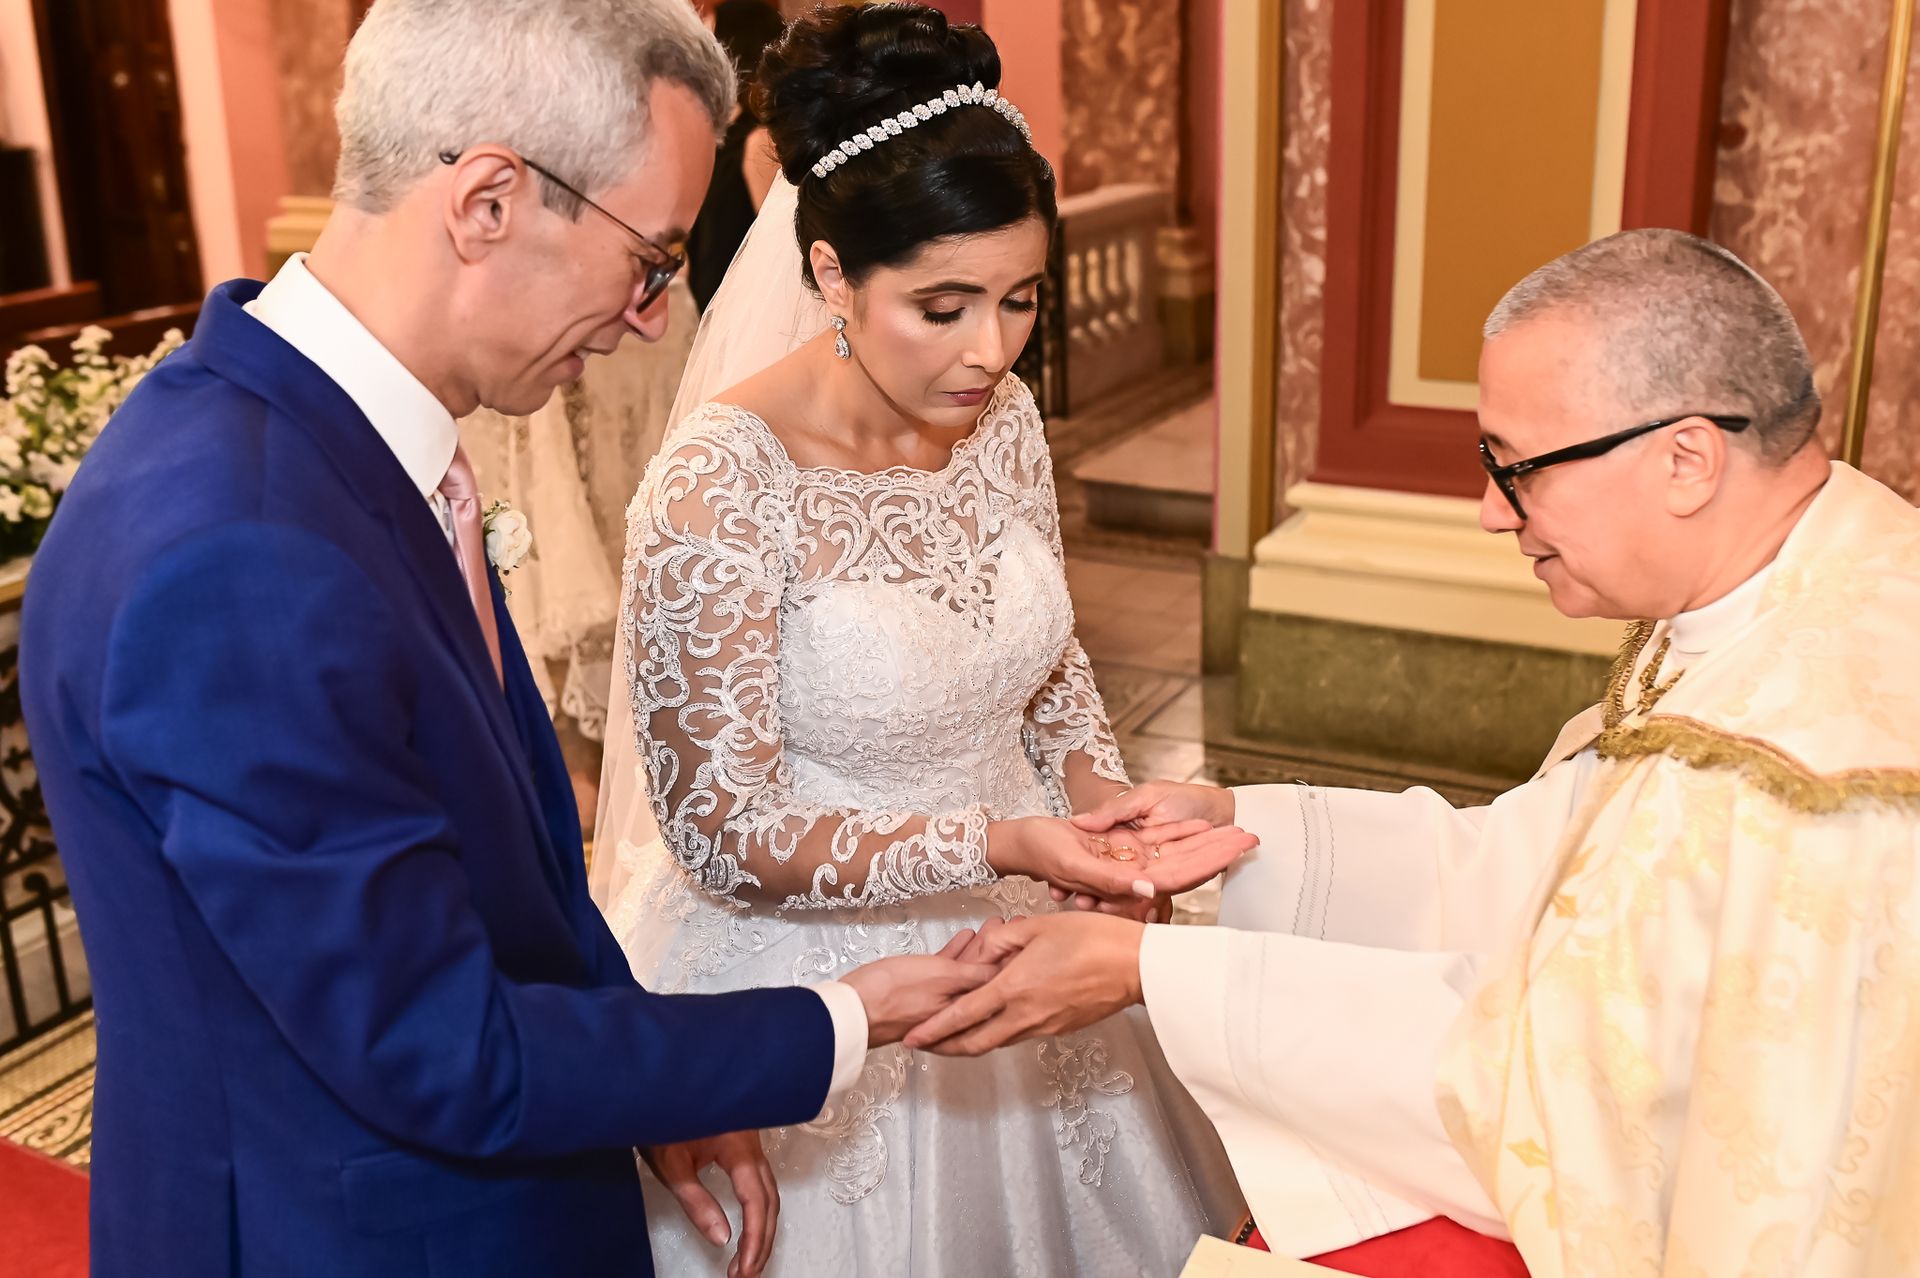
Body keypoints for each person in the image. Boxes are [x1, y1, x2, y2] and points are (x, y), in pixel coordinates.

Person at [19, 3, 997, 1275]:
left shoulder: (339, 443)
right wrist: (836, 1020)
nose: (657, 316)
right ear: (487, 201)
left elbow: (508, 885)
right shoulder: (243, 551)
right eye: (650, 256)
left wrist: (656, 1088)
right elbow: (435, 1044)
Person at [909, 229, 1920, 1276]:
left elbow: (1565, 1110)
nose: (1491, 512)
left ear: (1686, 458)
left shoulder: (1808, 784)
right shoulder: (1777, 603)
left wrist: (1155, 973)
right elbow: (1548, 869)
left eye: (1515, 467)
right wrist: (1244, 833)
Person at [592, 6, 1252, 1275]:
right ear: (833, 274)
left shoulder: (1000, 420)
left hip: (1029, 941)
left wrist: (1107, 815)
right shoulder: (719, 487)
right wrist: (996, 838)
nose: (990, 350)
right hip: (813, 985)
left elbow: (1046, 669)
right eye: (942, 305)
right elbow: (724, 832)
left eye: (1019, 300)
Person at [688, 0, 787, 311]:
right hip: (716, 309)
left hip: (748, 310)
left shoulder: (760, 139)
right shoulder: (723, 134)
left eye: (709, 40)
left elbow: (779, 247)